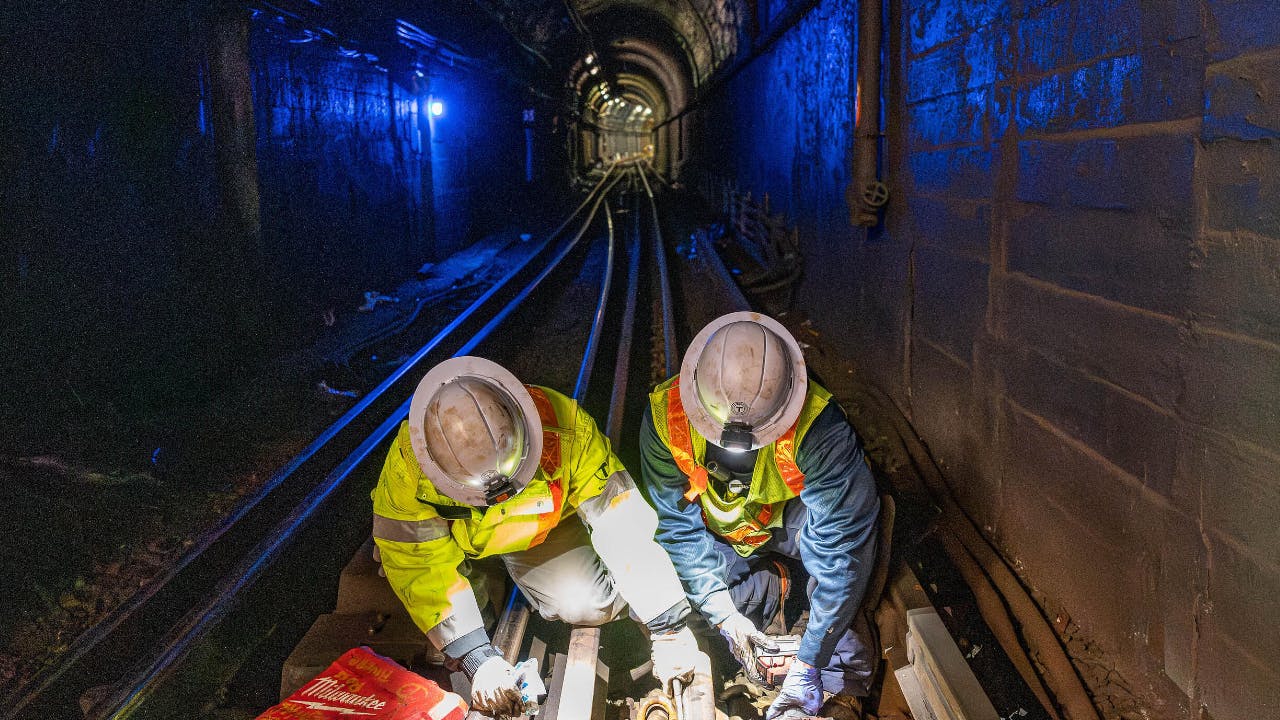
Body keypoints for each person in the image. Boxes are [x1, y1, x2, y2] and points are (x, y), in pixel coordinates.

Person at [372, 356, 701, 717]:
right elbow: (417, 563)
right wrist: (474, 656)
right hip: (455, 543)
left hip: (533, 535)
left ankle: (500, 586)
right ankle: (475, 608)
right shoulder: (408, 470)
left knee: (588, 603)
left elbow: (621, 522)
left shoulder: (566, 430)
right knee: (434, 604)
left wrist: (666, 623)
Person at [639, 312, 880, 720]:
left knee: (851, 577)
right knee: (673, 594)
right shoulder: (667, 419)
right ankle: (773, 590)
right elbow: (677, 529)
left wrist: (810, 663)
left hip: (791, 524)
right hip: (721, 534)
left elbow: (841, 552)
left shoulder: (818, 428)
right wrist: (724, 617)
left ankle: (841, 688)